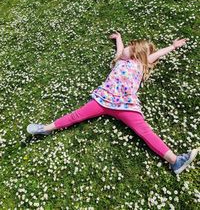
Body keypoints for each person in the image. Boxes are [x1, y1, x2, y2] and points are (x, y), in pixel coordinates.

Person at [27, 31, 199, 174]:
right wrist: (118, 39)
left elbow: (156, 54)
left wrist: (173, 46)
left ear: (137, 53)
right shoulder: (120, 60)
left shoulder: (141, 63)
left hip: (125, 104)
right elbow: (120, 51)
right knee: (76, 115)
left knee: (145, 131)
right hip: (103, 99)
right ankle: (46, 128)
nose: (126, 48)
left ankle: (175, 161)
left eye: (131, 47)